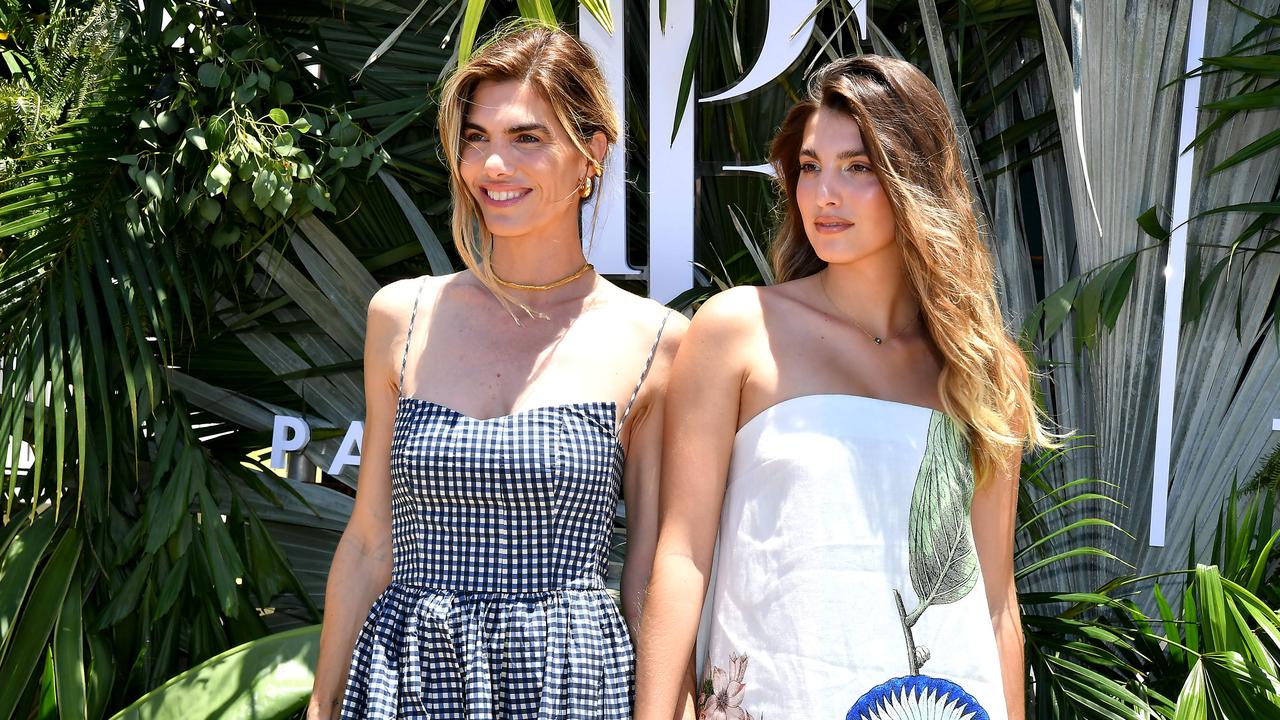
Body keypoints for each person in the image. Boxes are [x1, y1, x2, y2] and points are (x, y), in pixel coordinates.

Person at [635, 55, 1053, 720]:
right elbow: (682, 558)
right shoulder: (740, 331)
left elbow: (996, 603)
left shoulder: (983, 367)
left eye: (857, 168)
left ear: (914, 178)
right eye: (810, 166)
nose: (823, 193)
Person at [306, 23, 686, 720]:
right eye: (476, 139)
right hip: (410, 676)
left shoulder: (657, 341)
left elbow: (650, 576)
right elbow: (368, 542)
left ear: (591, 155)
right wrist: (322, 705)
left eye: (527, 139)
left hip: (569, 683)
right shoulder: (402, 315)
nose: (492, 167)